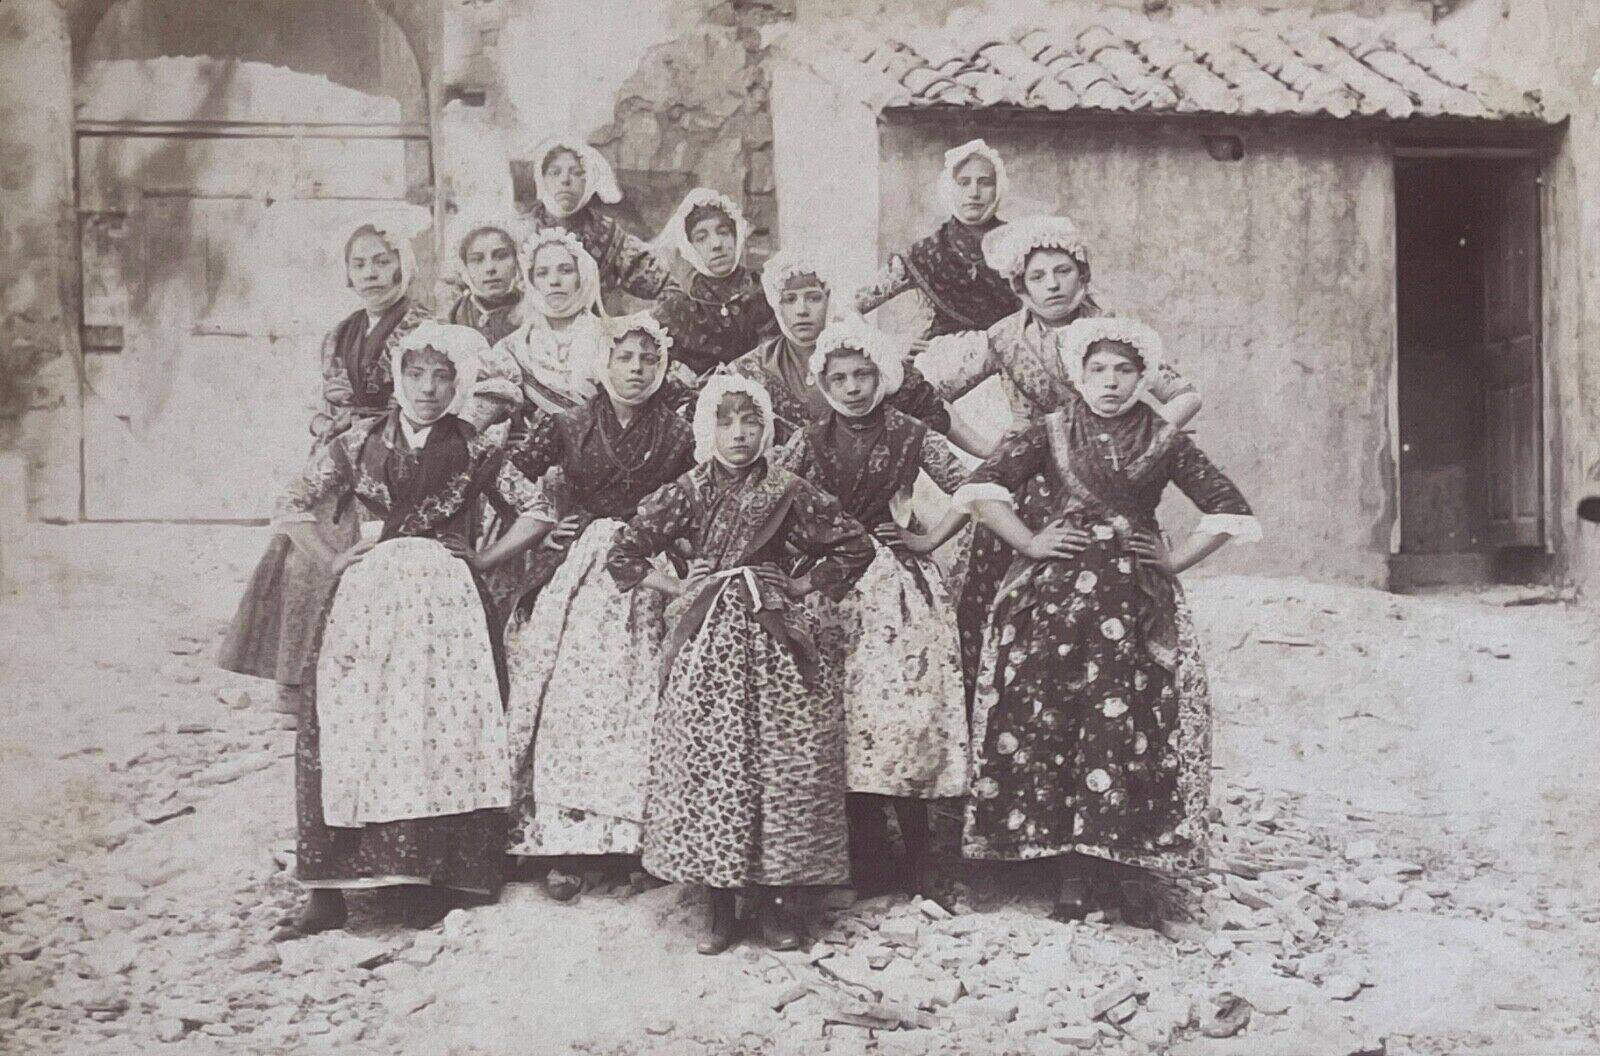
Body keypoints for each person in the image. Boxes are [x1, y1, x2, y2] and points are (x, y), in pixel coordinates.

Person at [929, 317, 1259, 927]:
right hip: (1054, 599)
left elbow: (1228, 508)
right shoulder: (1047, 430)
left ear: (1143, 377)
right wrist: (1028, 543)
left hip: (1134, 601)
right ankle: (1062, 868)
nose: (1111, 382)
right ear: (1078, 374)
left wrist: (1174, 558)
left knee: (1126, 715)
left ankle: (1117, 863)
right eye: (1098, 370)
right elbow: (981, 489)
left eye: (1125, 370)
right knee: (1051, 712)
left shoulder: (1165, 439)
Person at [269, 321, 540, 935]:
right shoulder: (359, 440)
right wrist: (332, 557)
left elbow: (540, 510)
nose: (428, 388)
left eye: (443, 376)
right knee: (347, 723)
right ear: (397, 377)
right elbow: (291, 505)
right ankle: (328, 889)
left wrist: (486, 560)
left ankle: (430, 879)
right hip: (367, 598)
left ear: (459, 383)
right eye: (416, 374)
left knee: (435, 729)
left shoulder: (475, 447)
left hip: (447, 603)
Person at [606, 376, 874, 954]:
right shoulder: (686, 489)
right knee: (713, 762)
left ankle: (778, 905)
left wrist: (802, 584)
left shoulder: (789, 488)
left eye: (751, 422)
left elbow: (855, 544)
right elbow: (624, 551)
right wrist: (677, 582)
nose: (739, 434)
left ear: (767, 430)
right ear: (708, 428)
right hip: (706, 642)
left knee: (783, 764)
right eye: (726, 422)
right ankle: (718, 906)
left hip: (774, 636)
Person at [219, 210, 515, 718]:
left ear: (403, 266)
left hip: (403, 455)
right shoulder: (339, 334)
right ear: (348, 274)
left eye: (383, 261)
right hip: (346, 450)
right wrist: (323, 422)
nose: (373, 273)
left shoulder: (425, 325)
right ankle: (296, 680)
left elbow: (466, 386)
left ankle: (356, 679)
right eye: (360, 265)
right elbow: (325, 403)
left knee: (363, 550)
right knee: (299, 549)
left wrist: (452, 429)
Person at [910, 216, 1203, 705]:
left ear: (1082, 276)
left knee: (1109, 612)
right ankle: (996, 728)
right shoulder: (1003, 338)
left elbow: (1185, 394)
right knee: (999, 605)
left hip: (1098, 487)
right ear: (1020, 287)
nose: (1052, 285)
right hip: (1024, 489)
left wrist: (1140, 443)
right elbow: (927, 395)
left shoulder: (1109, 335)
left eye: (1063, 272)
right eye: (1038, 277)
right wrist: (985, 447)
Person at [470, 312, 696, 902]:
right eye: (626, 358)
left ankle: (634, 839)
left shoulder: (677, 433)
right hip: (582, 564)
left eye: (649, 360)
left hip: (646, 567)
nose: (637, 371)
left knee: (641, 691)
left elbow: (703, 492)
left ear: (662, 368)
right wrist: (542, 524)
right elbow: (504, 470)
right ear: (606, 362)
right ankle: (566, 842)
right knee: (573, 691)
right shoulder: (568, 422)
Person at [772, 317, 970, 901]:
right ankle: (864, 856)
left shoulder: (911, 432)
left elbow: (977, 485)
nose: (854, 387)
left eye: (864, 375)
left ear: (882, 376)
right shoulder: (807, 440)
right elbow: (770, 498)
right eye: (840, 377)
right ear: (824, 381)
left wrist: (929, 540)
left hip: (898, 588)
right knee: (844, 716)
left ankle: (921, 859)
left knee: (906, 716)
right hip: (832, 591)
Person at [720, 249, 990, 454]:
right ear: (776, 306)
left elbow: (933, 408)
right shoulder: (750, 370)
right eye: (789, 300)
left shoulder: (864, 354)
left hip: (865, 500)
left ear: (828, 299)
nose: (802, 310)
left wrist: (990, 456)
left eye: (812, 297)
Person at [854, 139, 1020, 341]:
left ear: (999, 188)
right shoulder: (926, 252)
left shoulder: (1021, 243)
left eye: (985, 182)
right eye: (964, 183)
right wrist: (895, 348)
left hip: (1009, 359)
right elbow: (851, 309)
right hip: (940, 363)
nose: (974, 193)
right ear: (950, 188)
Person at [518, 136, 673, 308]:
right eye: (555, 173)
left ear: (590, 181)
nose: (565, 180)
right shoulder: (520, 234)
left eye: (577, 173)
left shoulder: (607, 233)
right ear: (542, 179)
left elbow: (666, 286)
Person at [651, 188, 778, 376]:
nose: (716, 245)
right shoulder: (676, 311)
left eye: (724, 232)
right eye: (702, 238)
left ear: (736, 237)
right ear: (690, 248)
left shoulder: (769, 293)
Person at [443, 210, 528, 346]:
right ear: (464, 267)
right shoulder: (455, 315)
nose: (490, 268)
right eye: (477, 259)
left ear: (517, 260)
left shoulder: (532, 311)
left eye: (501, 256)